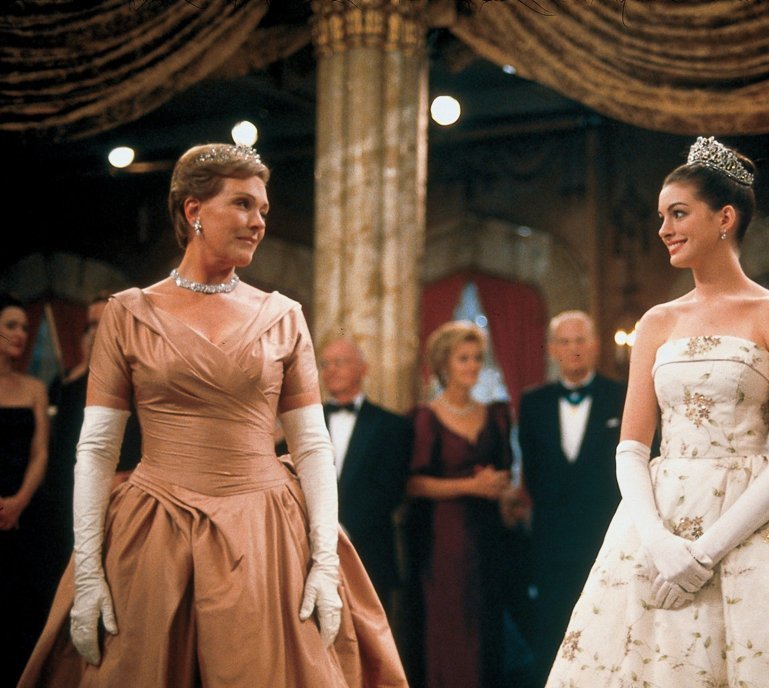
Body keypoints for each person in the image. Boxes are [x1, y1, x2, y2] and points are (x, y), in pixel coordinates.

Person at [18, 143, 406, 687]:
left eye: (263, 209)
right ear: (193, 210)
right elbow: (98, 449)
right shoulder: (128, 313)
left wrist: (323, 561)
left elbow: (314, 446)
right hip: (155, 530)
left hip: (264, 534)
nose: (258, 222)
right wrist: (87, 569)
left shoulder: (283, 316)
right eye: (243, 204)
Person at [545, 137, 769, 686]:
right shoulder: (657, 322)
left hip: (753, 517)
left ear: (725, 218)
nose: (664, 229)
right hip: (659, 519)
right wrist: (661, 543)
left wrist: (704, 554)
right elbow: (632, 448)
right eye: (661, 217)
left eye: (678, 213)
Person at [405, 320, 516, 688]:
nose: (472, 366)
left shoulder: (496, 414)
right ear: (443, 364)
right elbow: (414, 484)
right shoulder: (426, 417)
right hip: (443, 542)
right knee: (447, 627)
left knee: (485, 626)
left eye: (477, 358)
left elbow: (504, 474)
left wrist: (500, 487)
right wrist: (471, 485)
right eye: (463, 358)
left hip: (488, 538)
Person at [517, 310, 626, 680]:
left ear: (595, 346)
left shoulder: (621, 396)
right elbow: (532, 472)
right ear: (552, 349)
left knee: (607, 626)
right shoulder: (533, 402)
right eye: (564, 341)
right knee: (551, 627)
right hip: (551, 539)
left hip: (606, 535)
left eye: (580, 340)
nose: (573, 348)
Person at [38, 292, 142, 599]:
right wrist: (86, 367)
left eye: (103, 323)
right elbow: (60, 446)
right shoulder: (69, 382)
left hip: (121, 495)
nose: (96, 332)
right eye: (91, 325)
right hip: (69, 494)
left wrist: (127, 478)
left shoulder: (140, 381)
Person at [318, 337, 411, 616]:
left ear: (363, 369)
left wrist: (341, 530)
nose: (331, 370)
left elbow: (390, 491)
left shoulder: (392, 426)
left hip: (369, 553)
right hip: (313, 551)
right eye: (325, 364)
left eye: (340, 362)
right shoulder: (305, 423)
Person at [1, 292, 50, 686]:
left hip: (25, 509)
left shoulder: (34, 387)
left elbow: (40, 451)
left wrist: (19, 501)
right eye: (11, 326)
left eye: (23, 326)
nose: (20, 333)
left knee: (20, 608)